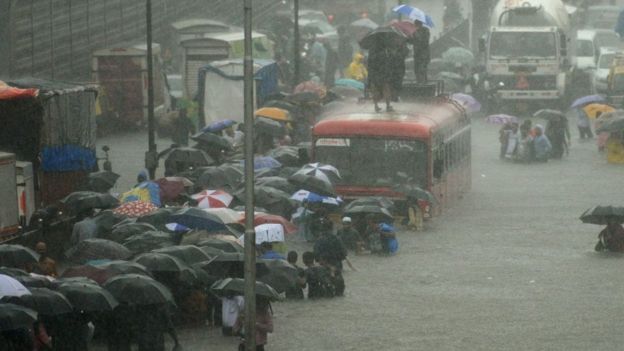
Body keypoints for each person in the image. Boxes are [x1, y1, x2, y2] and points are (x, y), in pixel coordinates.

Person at [367, 43, 395, 112]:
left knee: (375, 90)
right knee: (386, 89)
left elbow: (369, 65)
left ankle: (376, 106)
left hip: (374, 75)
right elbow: (387, 64)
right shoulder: (383, 53)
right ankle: (388, 106)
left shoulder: (371, 52)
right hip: (382, 74)